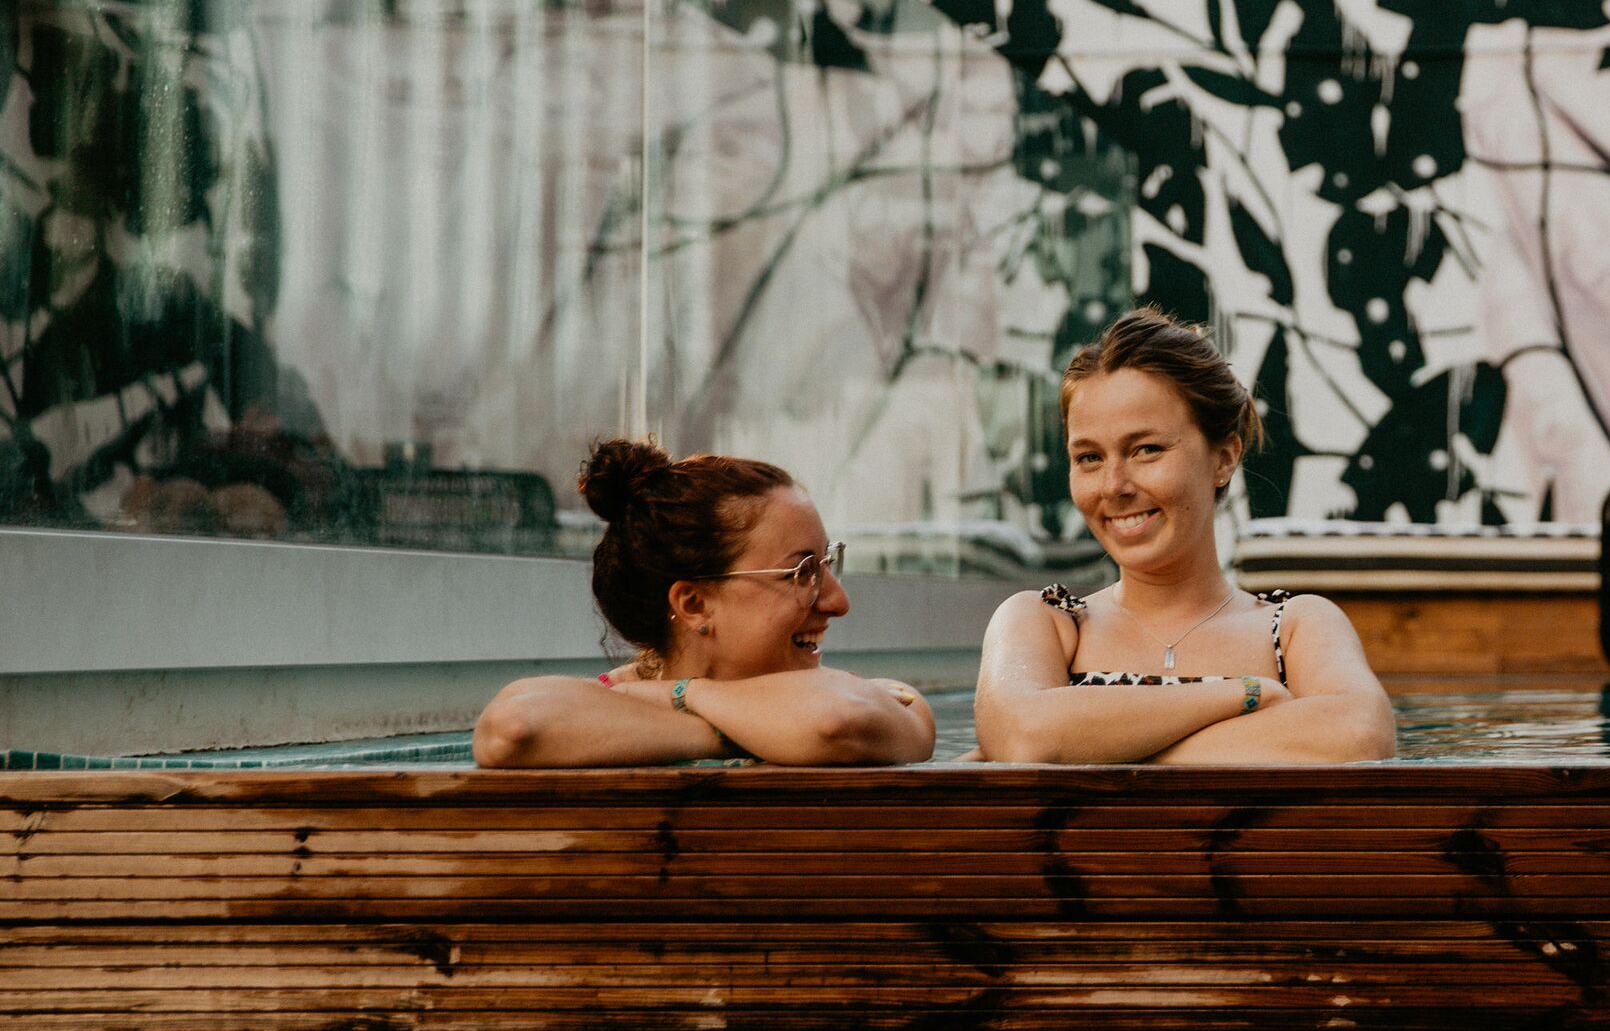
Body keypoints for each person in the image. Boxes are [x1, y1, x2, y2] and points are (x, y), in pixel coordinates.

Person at [974, 310, 1395, 764]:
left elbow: (1359, 735)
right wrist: (1245, 694)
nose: (1114, 485)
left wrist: (1095, 744)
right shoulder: (1043, 621)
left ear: (1224, 458)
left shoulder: (1296, 625)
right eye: (1090, 457)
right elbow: (1023, 735)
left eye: (1147, 449)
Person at [473, 440, 936, 767]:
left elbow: (836, 723)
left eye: (827, 564)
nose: (838, 601)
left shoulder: (869, 699)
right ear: (695, 604)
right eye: (802, 572)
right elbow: (512, 728)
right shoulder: (593, 700)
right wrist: (764, 731)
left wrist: (681, 694)